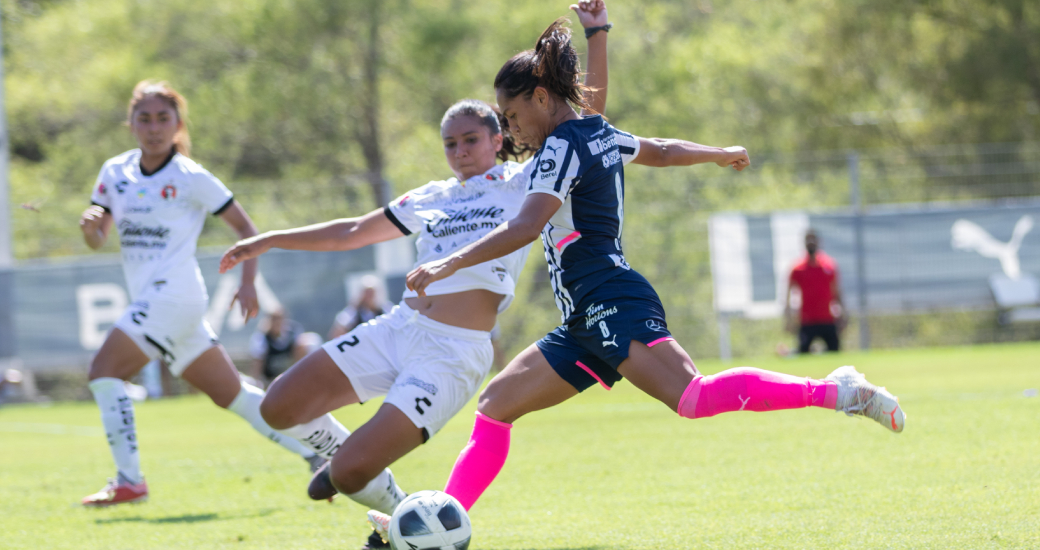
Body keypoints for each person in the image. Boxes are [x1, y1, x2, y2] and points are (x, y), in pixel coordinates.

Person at [400, 18, 906, 521]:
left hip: (611, 300)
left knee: (692, 397)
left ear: (539, 97)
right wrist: (717, 152)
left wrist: (448, 262)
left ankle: (841, 392)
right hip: (584, 317)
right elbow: (660, 151)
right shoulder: (593, 133)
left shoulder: (560, 146)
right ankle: (442, 520)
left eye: (510, 116)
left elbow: (529, 225)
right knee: (494, 405)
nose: (509, 129)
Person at [217, 4, 610, 548]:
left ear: (499, 137)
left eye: (471, 139)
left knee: (351, 474)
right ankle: (399, 507)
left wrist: (597, 35)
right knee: (278, 406)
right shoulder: (431, 196)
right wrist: (269, 237)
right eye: (450, 143)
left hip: (452, 352)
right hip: (399, 328)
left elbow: (588, 125)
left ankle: (378, 494)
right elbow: (351, 231)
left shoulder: (525, 180)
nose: (459, 152)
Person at [77, 80, 325, 506]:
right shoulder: (114, 171)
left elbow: (247, 230)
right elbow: (97, 237)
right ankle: (318, 454)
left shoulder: (190, 176)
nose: (153, 128)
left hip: (174, 296)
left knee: (104, 372)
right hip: (157, 302)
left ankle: (129, 481)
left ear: (178, 124)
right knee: (233, 395)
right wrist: (90, 227)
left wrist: (248, 285)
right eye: (144, 119)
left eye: (163, 119)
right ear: (131, 123)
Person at [785, 229, 845, 353]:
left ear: (818, 242)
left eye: (813, 239)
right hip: (807, 320)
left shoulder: (829, 265)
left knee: (835, 352)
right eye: (808, 240)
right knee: (803, 353)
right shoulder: (798, 268)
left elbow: (837, 292)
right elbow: (788, 295)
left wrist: (843, 313)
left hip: (827, 318)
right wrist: (788, 318)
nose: (811, 243)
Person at [249, 309, 306, 385]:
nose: (277, 322)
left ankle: (301, 379)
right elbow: (257, 364)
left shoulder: (294, 333)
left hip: (290, 379)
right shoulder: (261, 339)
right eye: (274, 319)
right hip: (269, 380)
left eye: (280, 319)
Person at [328, 275, 390, 340]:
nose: (369, 296)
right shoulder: (352, 312)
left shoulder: (385, 310)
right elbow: (338, 332)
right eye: (367, 293)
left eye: (371, 293)